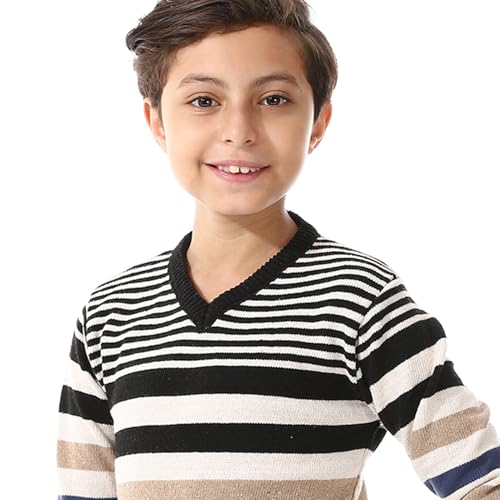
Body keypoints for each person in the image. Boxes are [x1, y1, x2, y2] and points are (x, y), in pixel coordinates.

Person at [55, 1, 500, 499]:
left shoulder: (359, 300)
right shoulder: (110, 315)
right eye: (204, 100)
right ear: (157, 121)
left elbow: (482, 480)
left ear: (318, 122)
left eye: (273, 99)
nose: (239, 130)